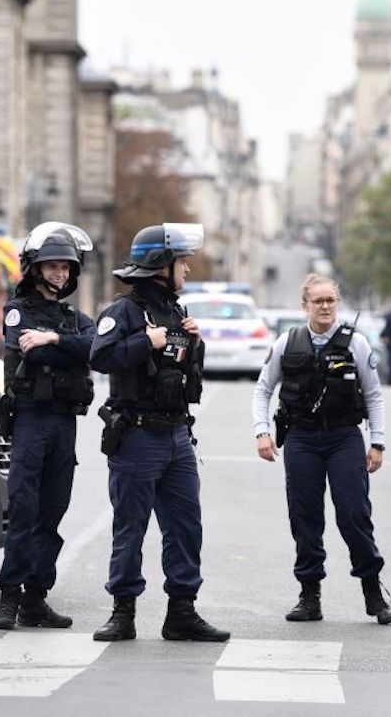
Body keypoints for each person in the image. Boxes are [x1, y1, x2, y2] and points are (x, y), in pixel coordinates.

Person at [90, 223, 229, 643]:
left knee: (186, 526)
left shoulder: (177, 313)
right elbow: (100, 356)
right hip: (137, 436)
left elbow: (185, 374)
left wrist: (195, 344)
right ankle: (123, 612)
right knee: (130, 526)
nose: (187, 268)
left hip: (177, 437)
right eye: (180, 261)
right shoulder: (124, 312)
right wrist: (143, 343)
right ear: (159, 265)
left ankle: (182, 612)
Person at [252, 273, 391, 625]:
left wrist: (377, 442)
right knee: (305, 518)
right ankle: (309, 595)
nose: (326, 306)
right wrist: (261, 432)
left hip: (344, 437)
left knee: (354, 514)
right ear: (305, 306)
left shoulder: (356, 344)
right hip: (302, 438)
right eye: (318, 301)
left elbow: (374, 395)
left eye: (331, 300)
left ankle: (373, 591)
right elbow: (263, 389)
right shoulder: (289, 341)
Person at [0, 222, 96, 630]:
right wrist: (65, 349)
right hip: (31, 420)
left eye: (65, 267)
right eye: (52, 266)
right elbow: (24, 350)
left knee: (52, 512)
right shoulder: (19, 311)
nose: (59, 274)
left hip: (63, 423)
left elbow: (96, 349)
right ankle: (8, 597)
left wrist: (53, 341)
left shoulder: (74, 317)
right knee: (23, 509)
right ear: (34, 269)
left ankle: (35, 600)